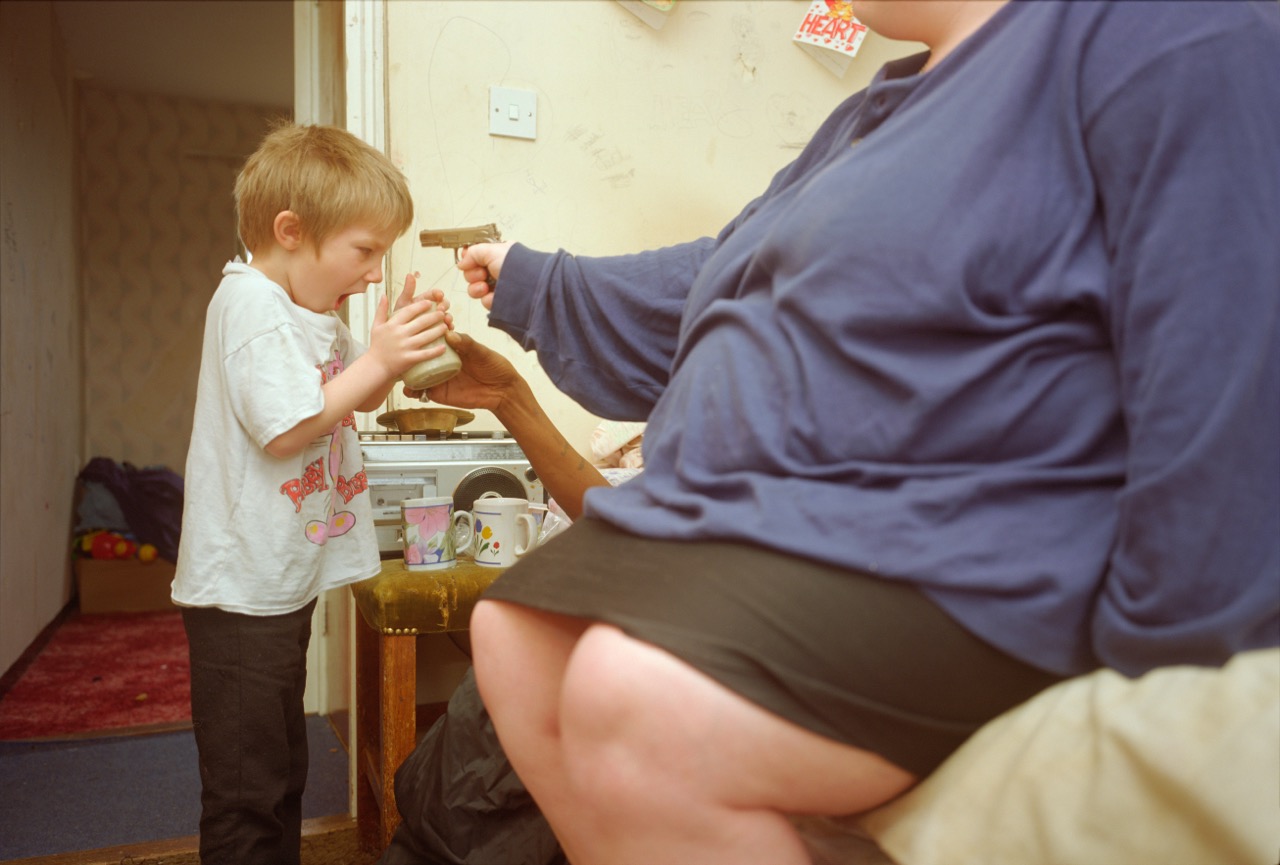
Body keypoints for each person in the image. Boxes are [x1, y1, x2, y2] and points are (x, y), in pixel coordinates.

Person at [447, 2, 1280, 864]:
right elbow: (727, 268)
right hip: (766, 523)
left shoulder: (1155, 26)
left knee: (640, 699)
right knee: (515, 632)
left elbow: (1226, 333)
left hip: (955, 537)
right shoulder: (868, 111)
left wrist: (1172, 653)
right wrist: (536, 281)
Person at [171, 123, 452, 865]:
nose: (372, 271)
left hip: (278, 585)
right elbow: (290, 426)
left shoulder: (310, 316)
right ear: (290, 231)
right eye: (365, 250)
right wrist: (382, 355)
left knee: (282, 770)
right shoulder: (251, 306)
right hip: (238, 594)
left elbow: (359, 390)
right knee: (245, 791)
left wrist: (399, 344)